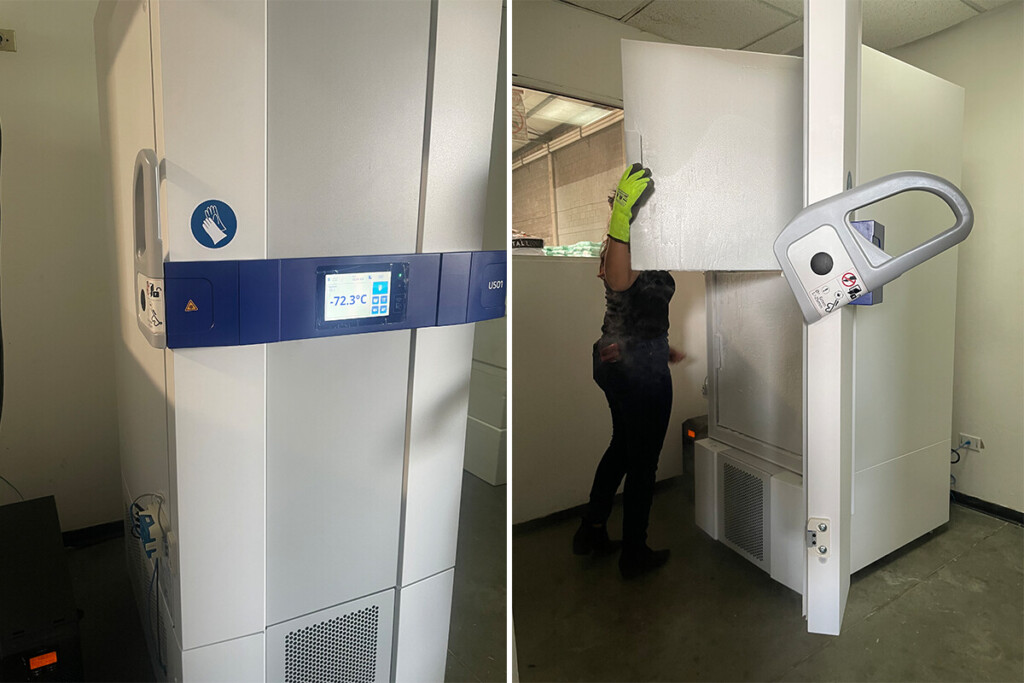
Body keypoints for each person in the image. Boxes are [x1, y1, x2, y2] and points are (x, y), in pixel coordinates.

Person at [572, 163, 684, 579]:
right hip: (638, 369)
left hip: (626, 355)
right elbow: (620, 282)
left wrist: (660, 346)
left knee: (622, 446)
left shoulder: (638, 244)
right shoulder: (626, 242)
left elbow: (634, 304)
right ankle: (634, 553)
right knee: (643, 463)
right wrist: (622, 216)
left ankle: (591, 530)